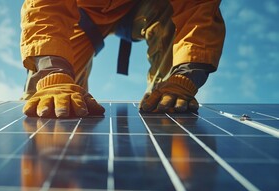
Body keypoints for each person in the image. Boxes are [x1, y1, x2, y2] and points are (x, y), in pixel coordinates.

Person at [20, 0, 225, 118]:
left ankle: (164, 101)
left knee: (171, 100)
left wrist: (186, 76)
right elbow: (45, 10)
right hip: (84, 11)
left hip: (148, 6)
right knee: (50, 98)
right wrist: (53, 73)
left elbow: (196, 8)